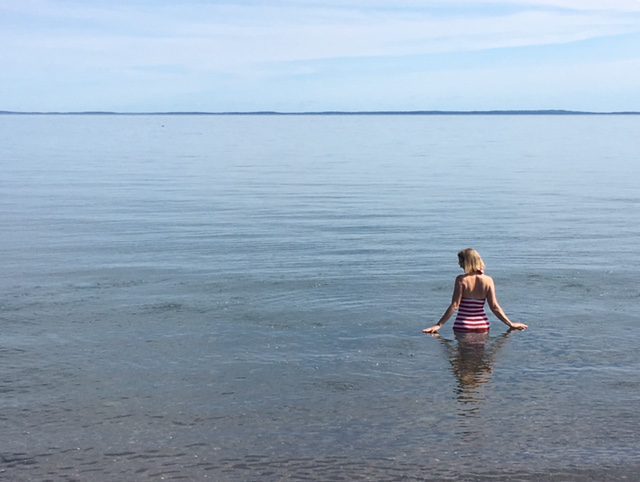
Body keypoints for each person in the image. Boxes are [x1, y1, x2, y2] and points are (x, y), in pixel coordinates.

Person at [422, 248, 528, 334]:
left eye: (460, 261)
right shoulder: (488, 280)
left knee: (461, 359)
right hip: (482, 325)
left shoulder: (461, 279)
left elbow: (455, 305)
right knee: (481, 359)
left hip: (463, 325)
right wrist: (510, 324)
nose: (459, 264)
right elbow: (494, 307)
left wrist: (439, 325)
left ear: (467, 262)